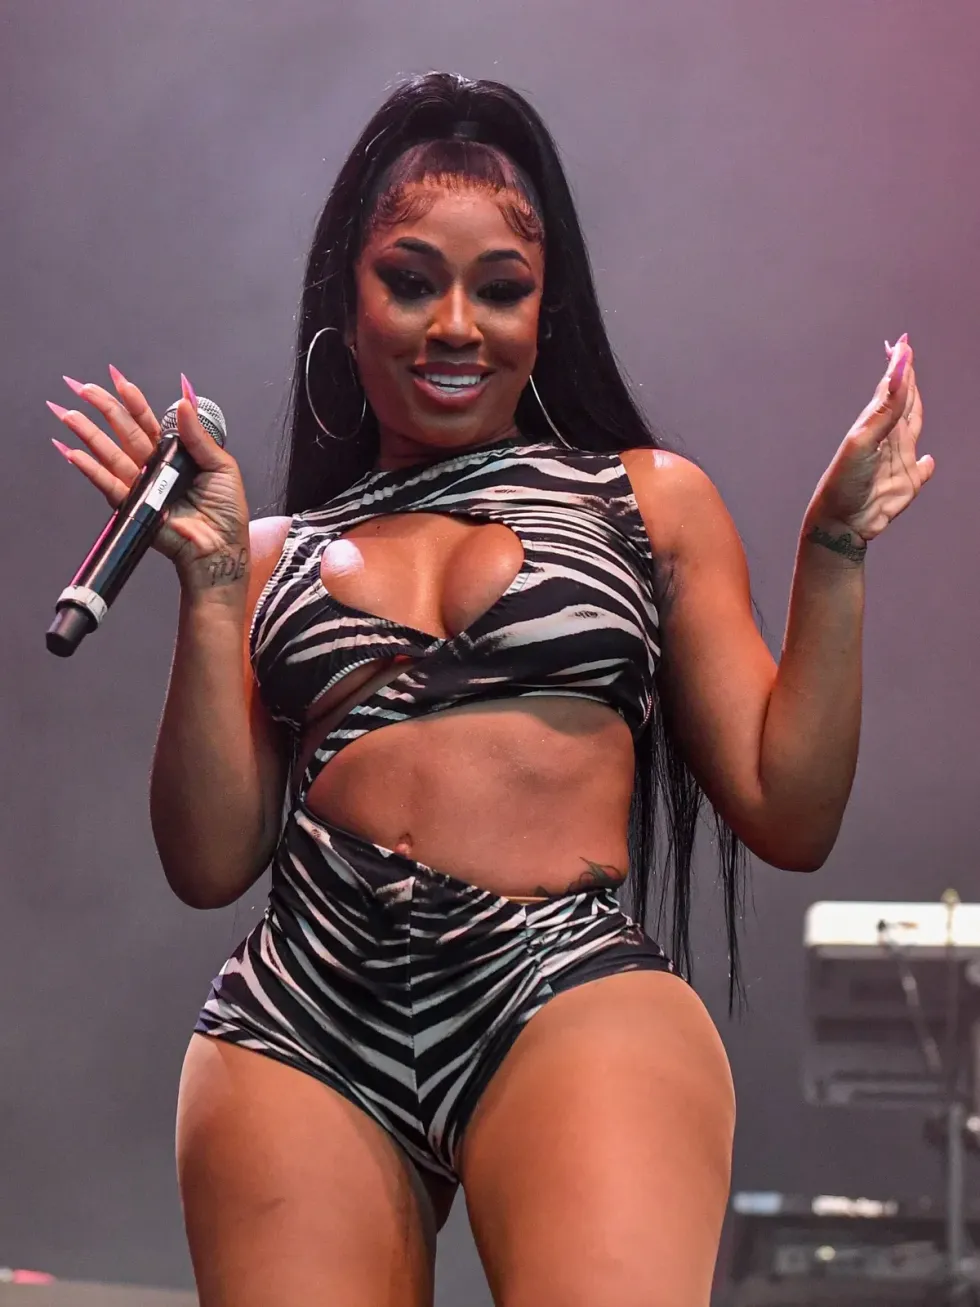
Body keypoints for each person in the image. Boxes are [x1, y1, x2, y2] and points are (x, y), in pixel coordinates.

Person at [48, 71, 932, 1307]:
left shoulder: (642, 499)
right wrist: (207, 584)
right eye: (411, 281)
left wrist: (831, 551)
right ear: (346, 302)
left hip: (556, 983)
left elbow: (788, 811)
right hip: (303, 1010)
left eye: (499, 288)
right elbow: (207, 863)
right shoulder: (266, 552)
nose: (455, 324)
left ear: (543, 311)